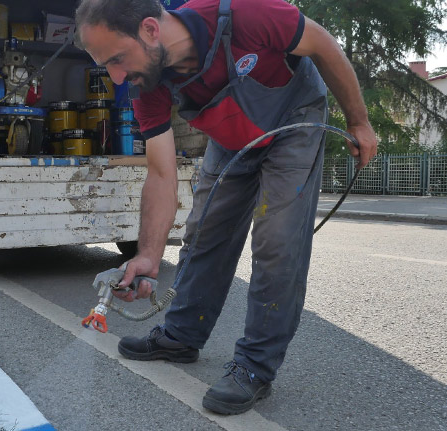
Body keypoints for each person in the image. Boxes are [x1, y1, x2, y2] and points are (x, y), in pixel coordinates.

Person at [75, 0, 377, 415]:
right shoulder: (150, 85)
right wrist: (147, 256)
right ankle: (181, 335)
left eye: (117, 59)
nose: (117, 76)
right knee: (203, 233)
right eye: (106, 65)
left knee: (276, 241)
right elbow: (161, 174)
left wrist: (358, 121)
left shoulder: (246, 14)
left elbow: (324, 45)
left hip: (294, 122)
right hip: (232, 137)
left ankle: (254, 367)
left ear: (149, 30)